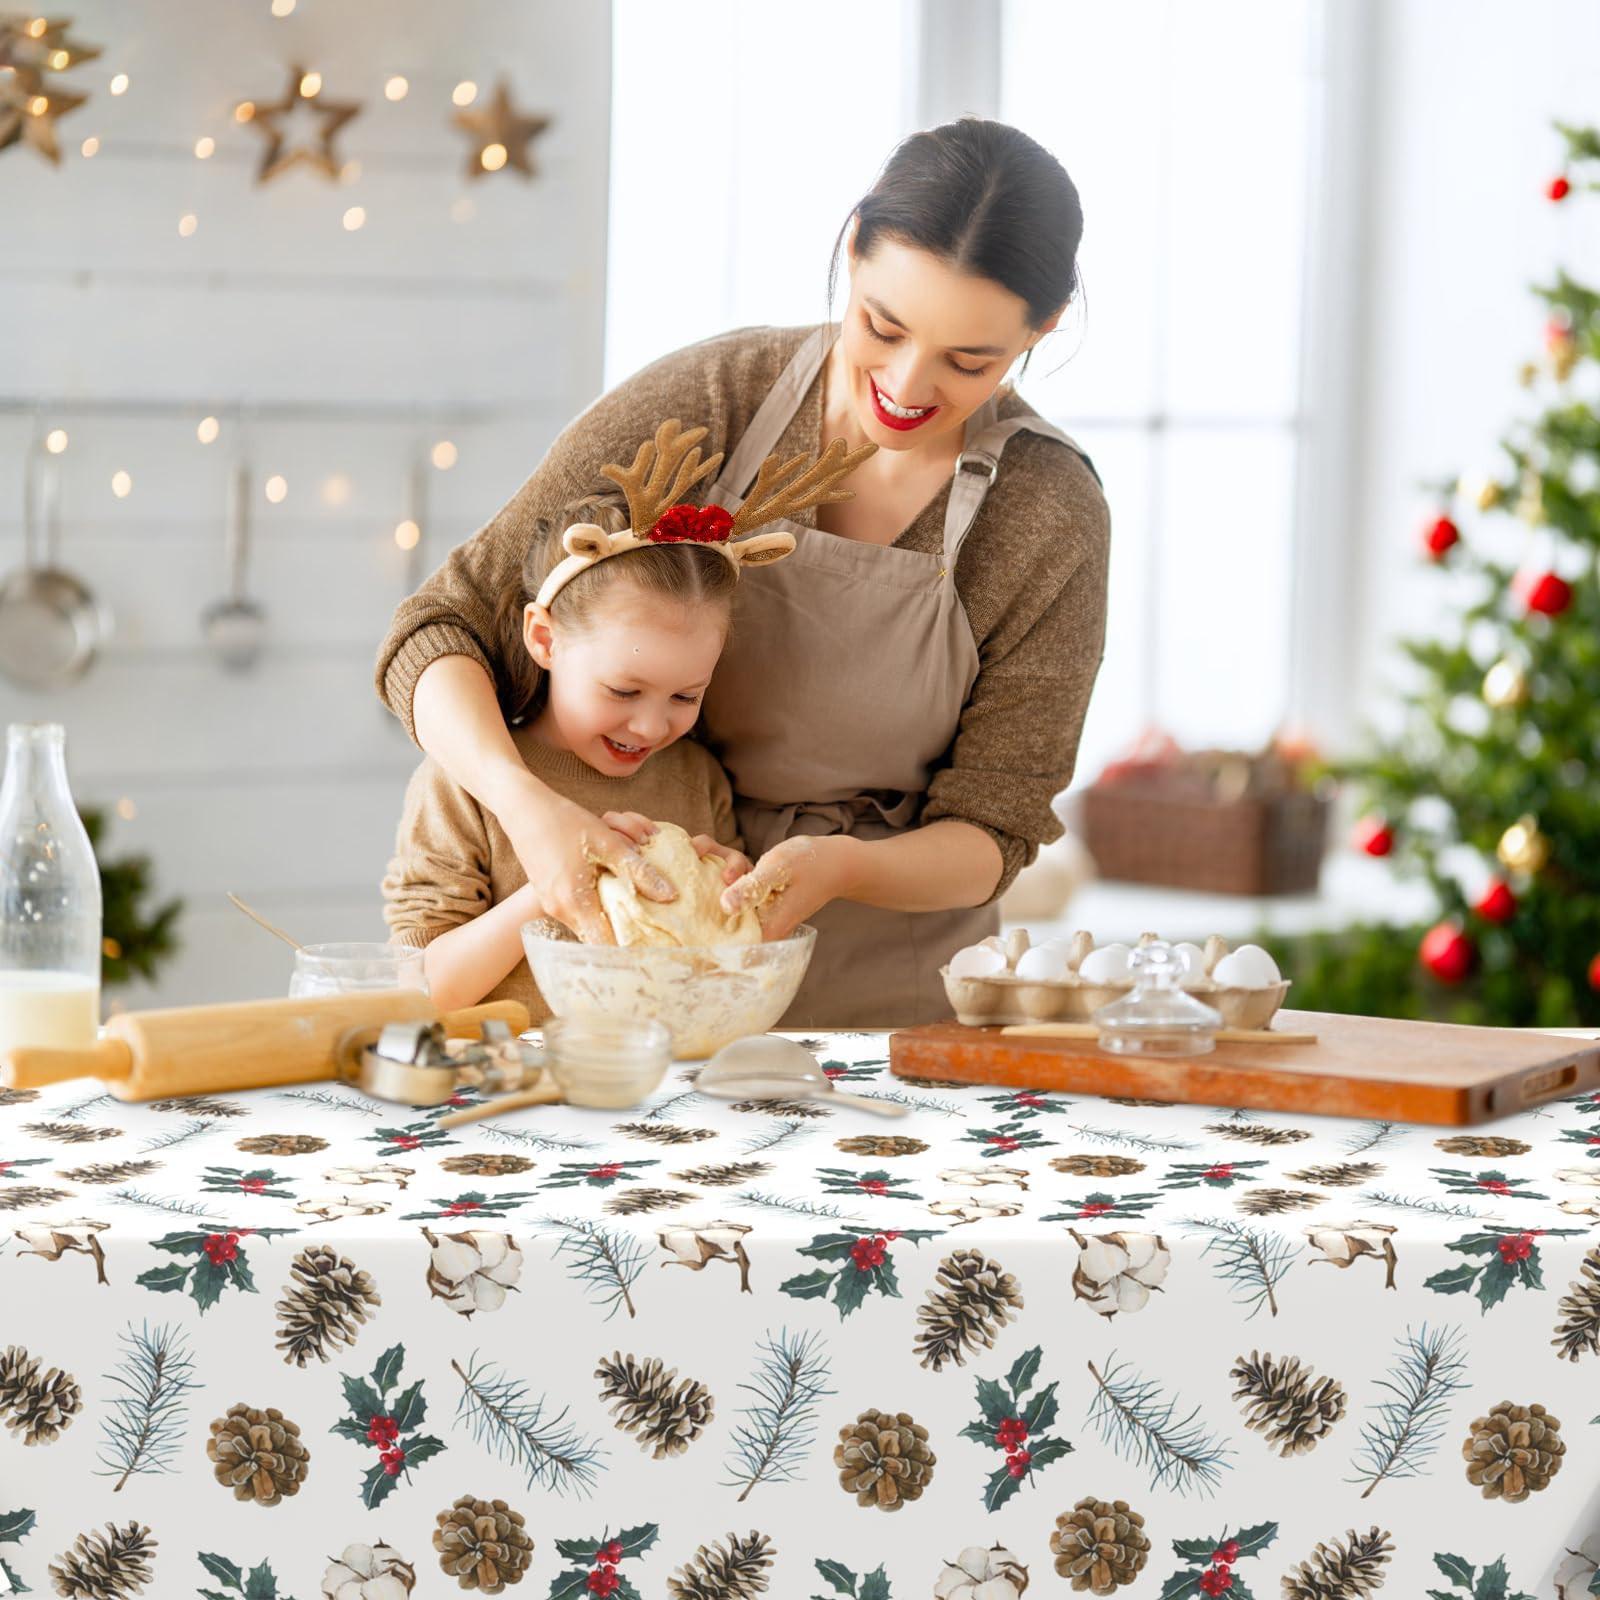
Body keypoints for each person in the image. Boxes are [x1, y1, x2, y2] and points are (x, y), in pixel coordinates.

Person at [375, 117, 1110, 1027]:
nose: (909, 385)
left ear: (1044, 328)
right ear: (852, 250)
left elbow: (994, 829)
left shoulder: (1046, 510)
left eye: (971, 362)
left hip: (891, 1007)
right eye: (882, 325)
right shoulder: (712, 403)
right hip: (634, 1000)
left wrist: (839, 867)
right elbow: (438, 630)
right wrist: (529, 810)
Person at [380, 423, 868, 1014]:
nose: (649, 727)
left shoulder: (698, 780)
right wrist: (549, 890)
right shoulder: (462, 786)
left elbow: (721, 985)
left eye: (686, 697)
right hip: (509, 1090)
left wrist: (725, 902)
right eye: (622, 689)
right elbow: (418, 992)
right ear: (544, 639)